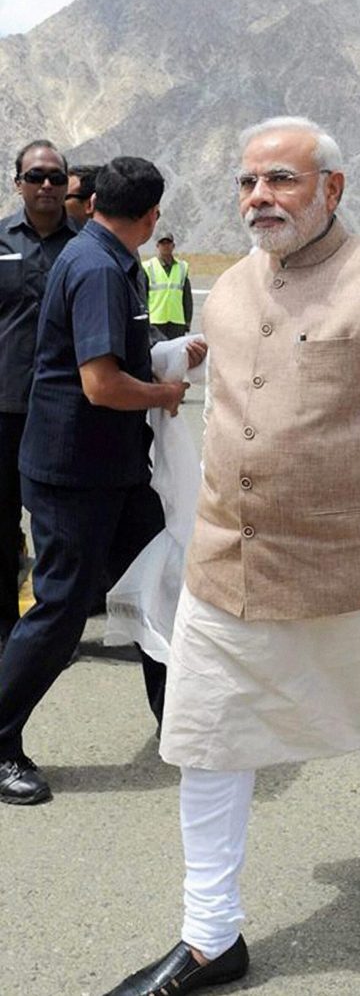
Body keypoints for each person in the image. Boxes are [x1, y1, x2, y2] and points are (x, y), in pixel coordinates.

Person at [100, 117, 360, 996]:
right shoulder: (228, 289)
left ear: (333, 189)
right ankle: (209, 939)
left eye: (280, 180)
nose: (257, 199)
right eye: (247, 183)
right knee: (205, 744)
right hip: (225, 572)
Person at [0, 157, 192, 808]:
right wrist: (166, 390)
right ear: (151, 216)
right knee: (59, 611)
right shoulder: (98, 268)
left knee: (162, 584)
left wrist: (169, 356)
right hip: (74, 474)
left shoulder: (105, 257)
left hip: (111, 471)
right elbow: (101, 383)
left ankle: (185, 728)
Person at [0, 139, 79, 652]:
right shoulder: (1, 240)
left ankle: (52, 633)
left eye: (54, 177)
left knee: (59, 529)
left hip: (63, 413)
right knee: (5, 523)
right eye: (36, 177)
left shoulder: (83, 246)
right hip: (4, 408)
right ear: (18, 184)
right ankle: (9, 630)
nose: (46, 185)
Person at [142, 231, 193, 339]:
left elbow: (187, 298)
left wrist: (187, 321)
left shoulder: (182, 267)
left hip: (177, 322)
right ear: (157, 246)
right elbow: (143, 296)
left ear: (173, 246)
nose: (165, 246)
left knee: (176, 354)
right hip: (155, 321)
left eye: (168, 243)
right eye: (162, 243)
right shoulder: (148, 267)